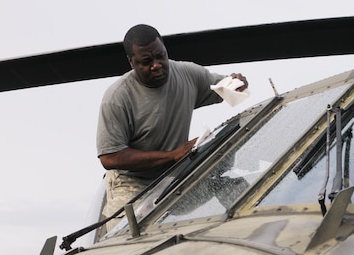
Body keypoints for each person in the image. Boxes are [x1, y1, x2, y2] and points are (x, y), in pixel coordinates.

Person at [96, 24, 248, 228]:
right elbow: (109, 157)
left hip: (176, 175)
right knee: (126, 230)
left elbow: (223, 87)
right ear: (131, 63)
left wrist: (236, 83)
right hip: (134, 183)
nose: (157, 65)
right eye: (146, 62)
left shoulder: (187, 74)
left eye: (161, 56)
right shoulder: (117, 98)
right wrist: (173, 155)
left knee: (224, 178)